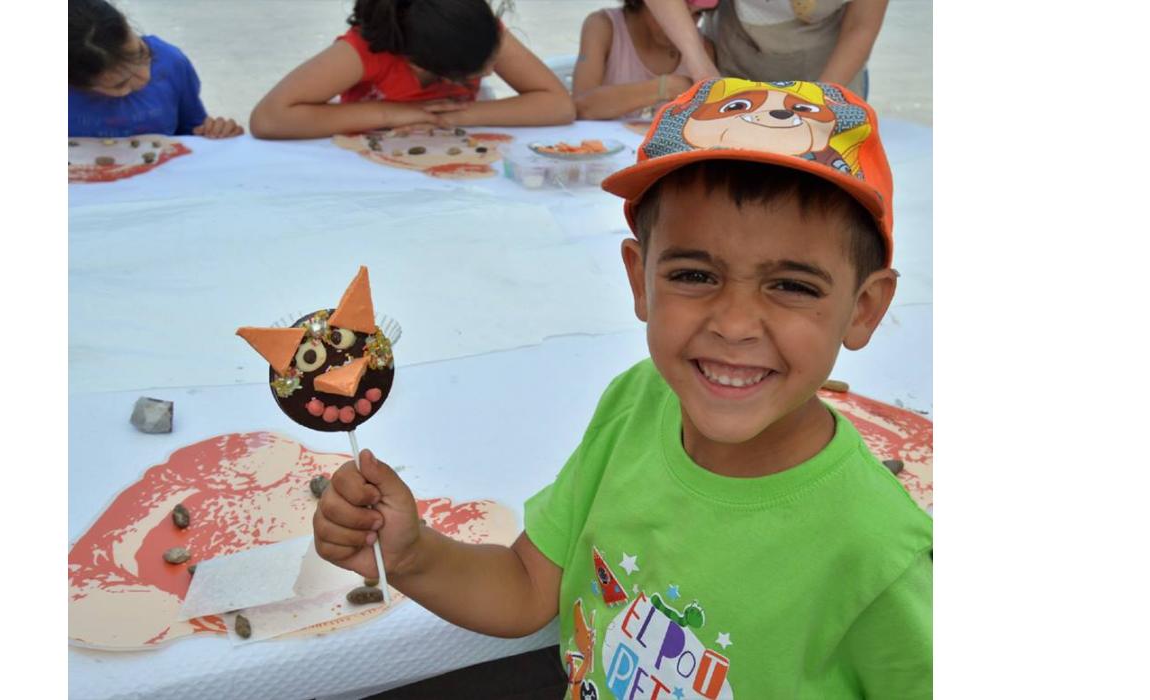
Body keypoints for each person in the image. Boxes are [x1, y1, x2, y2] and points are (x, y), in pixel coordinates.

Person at [313, 77, 932, 698]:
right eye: (695, 274)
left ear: (864, 308)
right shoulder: (638, 402)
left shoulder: (881, 557)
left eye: (793, 286)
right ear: (640, 281)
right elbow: (529, 586)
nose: (735, 324)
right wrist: (414, 554)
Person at [249, 0, 574, 139]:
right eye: (476, 72)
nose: (490, 73)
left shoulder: (478, 32)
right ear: (420, 62)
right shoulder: (368, 50)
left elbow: (558, 105)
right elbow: (270, 118)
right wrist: (393, 114)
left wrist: (450, 117)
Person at [68, 0, 242, 138]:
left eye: (143, 54)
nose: (145, 76)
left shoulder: (172, 63)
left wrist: (215, 131)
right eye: (120, 84)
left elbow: (193, 132)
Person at [644, 0, 888, 97]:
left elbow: (860, 27)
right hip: (730, 61)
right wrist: (700, 67)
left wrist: (816, 101)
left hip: (830, 70)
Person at [572, 0, 717, 121]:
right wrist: (663, 88)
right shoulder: (603, 26)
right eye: (682, 13)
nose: (689, 24)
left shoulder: (704, 50)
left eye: (698, 14)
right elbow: (580, 106)